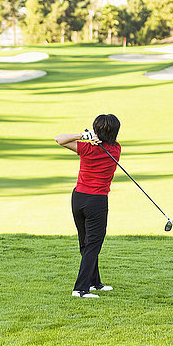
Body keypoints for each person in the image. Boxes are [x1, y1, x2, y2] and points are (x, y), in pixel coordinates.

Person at [54, 114, 121, 298]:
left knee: (87, 243)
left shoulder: (86, 149)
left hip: (78, 199)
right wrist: (94, 139)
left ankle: (94, 283)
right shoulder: (115, 149)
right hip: (96, 201)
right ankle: (80, 289)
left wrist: (83, 136)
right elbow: (58, 139)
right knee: (92, 245)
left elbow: (59, 139)